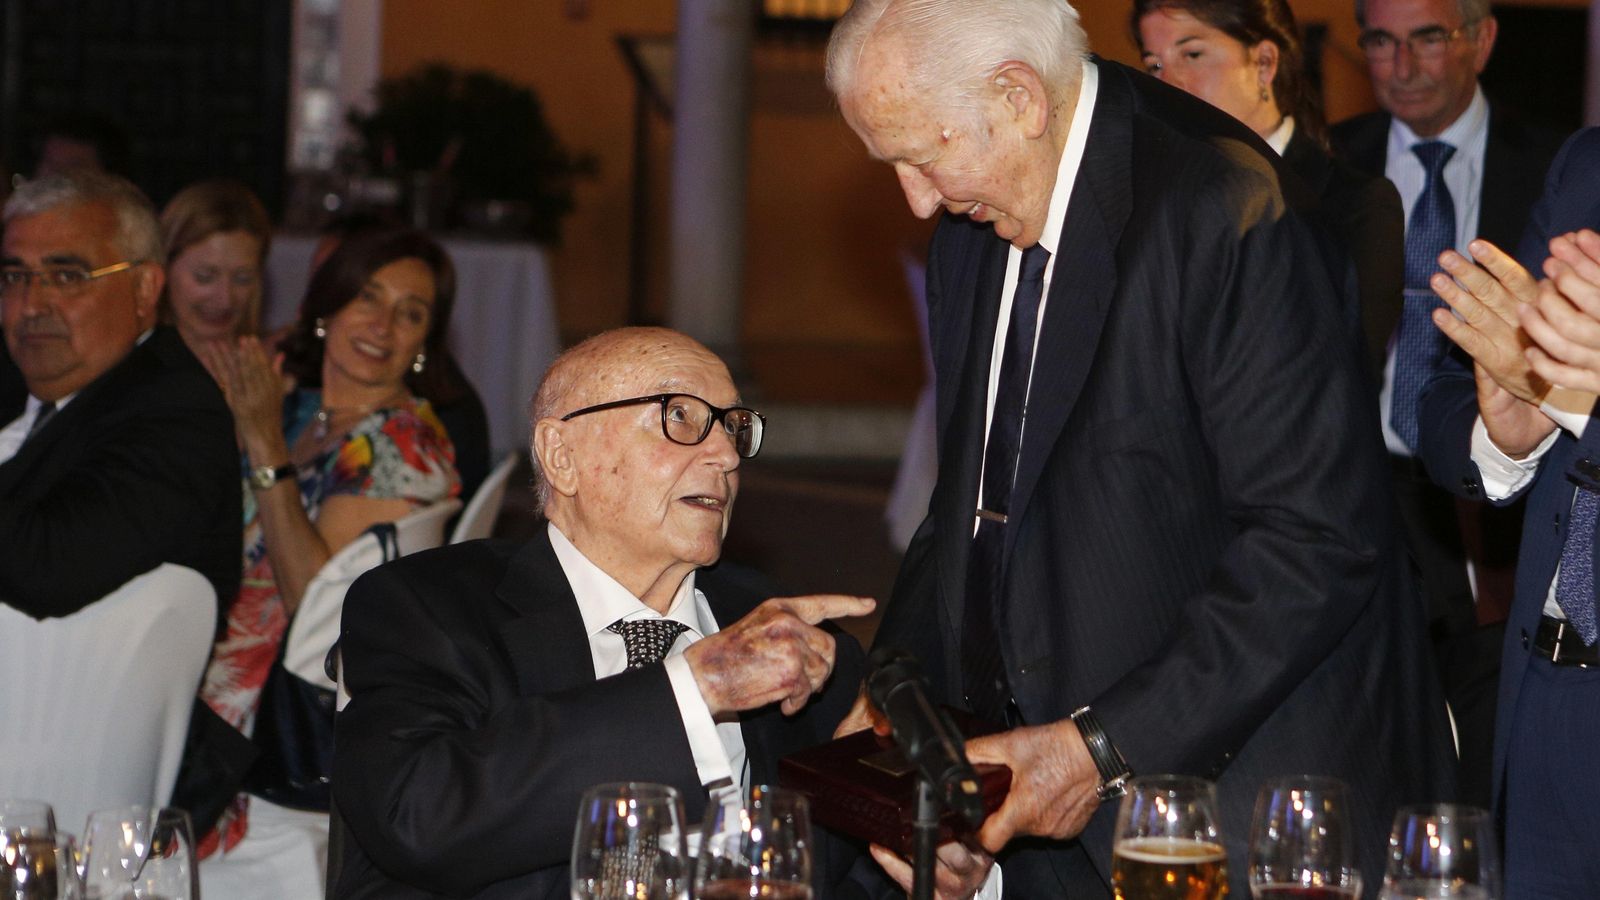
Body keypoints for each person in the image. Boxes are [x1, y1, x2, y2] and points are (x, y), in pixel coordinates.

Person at [826, 0, 1456, 895]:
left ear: (1019, 98)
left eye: (923, 156)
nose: (917, 198)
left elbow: (1315, 543)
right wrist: (901, 693)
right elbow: (975, 501)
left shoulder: (1228, 207)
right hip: (1043, 798)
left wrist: (1097, 750)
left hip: (1233, 807)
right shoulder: (975, 222)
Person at [330, 327, 884, 899]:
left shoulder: (794, 646)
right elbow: (417, 815)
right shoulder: (426, 608)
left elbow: (852, 869)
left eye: (732, 427)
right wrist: (698, 688)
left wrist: (957, 882)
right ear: (562, 456)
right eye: (681, 417)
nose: (723, 455)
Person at [1331, 0, 1563, 807]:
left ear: (1482, 39)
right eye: (1381, 43)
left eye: (1427, 37)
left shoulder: (1556, 167)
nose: (1403, 64)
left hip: (1495, 497)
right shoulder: (1331, 162)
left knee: (1485, 736)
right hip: (1357, 485)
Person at [190, 228, 461, 895]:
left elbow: (317, 608)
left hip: (263, 725)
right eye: (367, 297)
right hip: (215, 680)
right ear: (328, 307)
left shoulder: (404, 448)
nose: (383, 324)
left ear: (425, 343)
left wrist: (258, 441)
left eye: (411, 312)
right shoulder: (306, 411)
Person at [1416, 126, 1600, 896]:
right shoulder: (1586, 163)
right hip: (1549, 695)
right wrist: (1507, 429)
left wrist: (1580, 398)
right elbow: (1454, 385)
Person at [0, 170, 241, 616]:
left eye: (67, 276)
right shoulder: (20, 374)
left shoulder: (178, 414)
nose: (31, 305)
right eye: (15, 277)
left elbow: (50, 566)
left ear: (144, 288)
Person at [1132, 0, 1404, 380]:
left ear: (1264, 63)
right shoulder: (1149, 203)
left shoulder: (1356, 203)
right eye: (1154, 65)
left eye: (1192, 54)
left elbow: (1339, 374)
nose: (1169, 84)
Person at [159, 179, 273, 363]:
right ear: (163, 268)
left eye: (242, 279)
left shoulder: (273, 365)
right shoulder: (129, 369)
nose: (225, 299)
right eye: (204, 277)